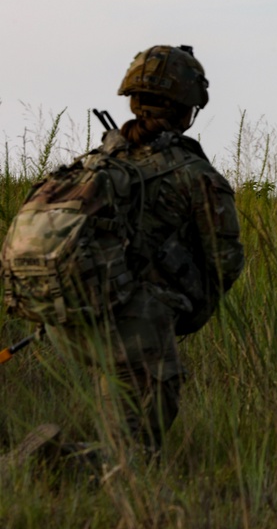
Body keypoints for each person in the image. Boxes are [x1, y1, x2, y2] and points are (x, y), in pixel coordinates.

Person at [43, 44, 245, 458]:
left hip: (65, 322)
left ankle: (58, 465)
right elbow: (225, 260)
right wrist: (183, 304)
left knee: (121, 424)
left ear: (133, 100)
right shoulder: (195, 175)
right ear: (188, 108)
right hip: (134, 326)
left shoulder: (94, 161)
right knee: (132, 457)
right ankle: (44, 464)